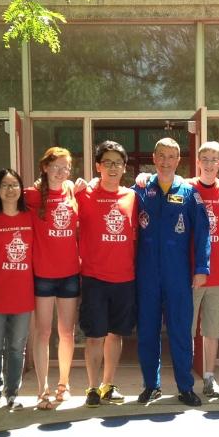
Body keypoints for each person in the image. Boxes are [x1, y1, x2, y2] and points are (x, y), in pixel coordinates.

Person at [134, 137, 210, 406]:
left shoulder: (189, 193)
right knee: (147, 331)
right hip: (146, 275)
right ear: (154, 158)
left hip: (177, 274)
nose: (165, 161)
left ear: (179, 160)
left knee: (180, 331)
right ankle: (151, 385)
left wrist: (201, 268)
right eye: (161, 156)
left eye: (171, 156)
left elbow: (203, 233)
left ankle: (185, 387)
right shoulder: (140, 190)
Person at [76, 140, 138, 408]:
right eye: (108, 163)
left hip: (125, 278)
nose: (113, 168)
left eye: (118, 163)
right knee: (94, 336)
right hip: (94, 278)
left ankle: (108, 384)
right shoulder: (83, 195)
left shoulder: (132, 197)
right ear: (98, 166)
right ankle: (92, 387)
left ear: (124, 167)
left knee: (116, 334)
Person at [26, 147, 80, 411]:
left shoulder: (70, 190)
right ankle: (42, 389)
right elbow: (5, 203)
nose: (61, 172)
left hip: (69, 273)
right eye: (56, 166)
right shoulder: (31, 194)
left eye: (65, 167)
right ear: (45, 167)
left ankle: (64, 384)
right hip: (43, 274)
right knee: (43, 332)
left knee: (67, 332)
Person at [0, 168, 34, 411]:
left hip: (23, 293)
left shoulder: (30, 217)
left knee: (17, 347)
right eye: (4, 185)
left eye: (14, 185)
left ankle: (12, 393)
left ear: (21, 189)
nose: (10, 190)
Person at [190, 141, 219, 399]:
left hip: (218, 274)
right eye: (204, 159)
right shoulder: (186, 188)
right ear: (198, 162)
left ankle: (209, 377)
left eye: (214, 159)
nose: (209, 164)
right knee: (186, 329)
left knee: (211, 330)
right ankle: (185, 378)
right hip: (191, 274)